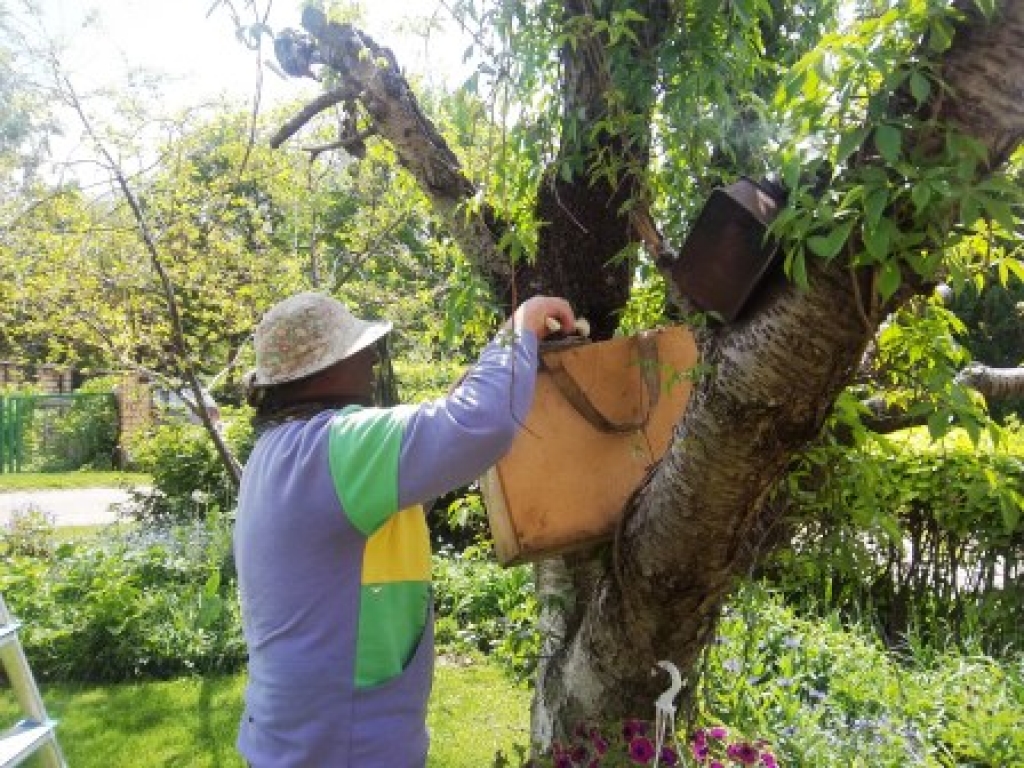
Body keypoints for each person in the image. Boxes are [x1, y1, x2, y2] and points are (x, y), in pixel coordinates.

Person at [234, 290, 575, 768]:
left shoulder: (281, 449)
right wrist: (519, 329)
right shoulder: (338, 443)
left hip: (296, 739)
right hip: (343, 751)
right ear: (321, 369)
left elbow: (398, 491)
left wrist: (466, 398)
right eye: (357, 350)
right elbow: (482, 425)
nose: (372, 360)